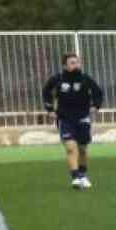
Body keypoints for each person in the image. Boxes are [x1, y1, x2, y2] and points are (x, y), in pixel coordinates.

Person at [41, 53, 104, 189]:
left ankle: (83, 175)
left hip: (83, 118)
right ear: (65, 65)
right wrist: (50, 109)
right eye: (72, 63)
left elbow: (98, 93)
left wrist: (95, 106)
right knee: (70, 147)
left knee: (82, 149)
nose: (76, 65)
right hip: (65, 119)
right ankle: (75, 178)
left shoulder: (85, 79)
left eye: (77, 62)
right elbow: (46, 92)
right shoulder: (57, 79)